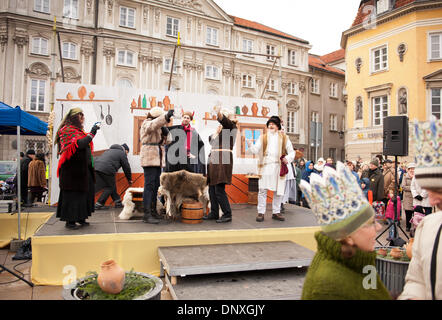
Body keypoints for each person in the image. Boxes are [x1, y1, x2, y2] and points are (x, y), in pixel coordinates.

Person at [299, 162, 391, 300]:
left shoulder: (361, 259)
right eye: (370, 223)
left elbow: (372, 291)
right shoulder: (327, 288)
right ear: (347, 236)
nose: (378, 227)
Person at [399, 117, 442, 300]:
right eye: (428, 190)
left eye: (438, 192)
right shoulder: (428, 225)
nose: (432, 200)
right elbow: (416, 280)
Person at [55, 108, 100, 230]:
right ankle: (70, 221)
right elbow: (80, 144)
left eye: (82, 116)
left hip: (83, 171)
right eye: (80, 116)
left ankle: (81, 217)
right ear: (74, 117)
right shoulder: (66, 130)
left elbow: (84, 143)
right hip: (71, 172)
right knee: (73, 196)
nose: (82, 118)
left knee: (84, 194)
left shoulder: (79, 131)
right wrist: (92, 133)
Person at [246, 116, 295, 222]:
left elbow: (292, 152)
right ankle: (261, 212)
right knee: (262, 190)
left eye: (273, 124)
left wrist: (287, 158)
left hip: (279, 167)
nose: (271, 125)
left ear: (277, 126)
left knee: (278, 191)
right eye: (269, 124)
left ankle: (276, 212)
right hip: (266, 167)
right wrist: (250, 145)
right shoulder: (263, 137)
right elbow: (255, 150)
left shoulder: (284, 138)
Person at [203, 107, 238, 223]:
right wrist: (216, 133)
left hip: (223, 161)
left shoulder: (231, 127)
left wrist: (218, 113)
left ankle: (227, 214)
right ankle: (214, 213)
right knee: (212, 189)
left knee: (219, 189)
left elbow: (225, 122)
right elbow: (211, 142)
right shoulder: (220, 131)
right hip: (214, 161)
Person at [140, 107, 174, 224]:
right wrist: (165, 118)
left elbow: (167, 141)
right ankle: (147, 214)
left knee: (154, 186)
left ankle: (153, 211)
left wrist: (165, 134)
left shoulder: (158, 126)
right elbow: (152, 126)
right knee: (149, 186)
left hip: (157, 159)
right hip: (149, 157)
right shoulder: (147, 123)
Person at [165, 110, 206, 175]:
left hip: (187, 161)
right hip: (176, 160)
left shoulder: (193, 132)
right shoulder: (175, 129)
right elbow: (164, 130)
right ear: (182, 118)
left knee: (186, 181)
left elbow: (201, 145)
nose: (186, 119)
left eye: (188, 118)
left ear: (190, 120)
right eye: (184, 117)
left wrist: (195, 155)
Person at [94, 143, 133, 210]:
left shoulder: (109, 151)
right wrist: (129, 179)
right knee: (110, 187)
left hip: (96, 168)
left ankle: (118, 202)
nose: (127, 154)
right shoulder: (121, 153)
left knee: (111, 185)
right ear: (125, 150)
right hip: (107, 168)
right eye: (127, 152)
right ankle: (99, 204)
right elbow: (126, 167)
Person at [401, 163, 416, 232]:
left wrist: (414, 189)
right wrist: (413, 188)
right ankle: (408, 226)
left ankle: (415, 226)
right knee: (408, 213)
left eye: (413, 169)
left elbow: (419, 186)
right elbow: (403, 186)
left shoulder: (417, 177)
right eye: (411, 169)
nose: (412, 170)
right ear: (408, 170)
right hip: (407, 197)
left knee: (416, 213)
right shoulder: (405, 176)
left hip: (415, 197)